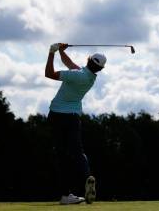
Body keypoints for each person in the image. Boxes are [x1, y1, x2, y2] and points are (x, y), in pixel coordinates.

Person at [45, 42, 104, 205]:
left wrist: (51, 53)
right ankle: (87, 178)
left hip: (57, 115)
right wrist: (61, 52)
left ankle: (65, 195)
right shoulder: (89, 77)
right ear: (100, 69)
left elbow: (48, 73)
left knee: (61, 155)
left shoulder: (77, 75)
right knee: (78, 152)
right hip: (73, 118)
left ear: (88, 60)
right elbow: (70, 65)